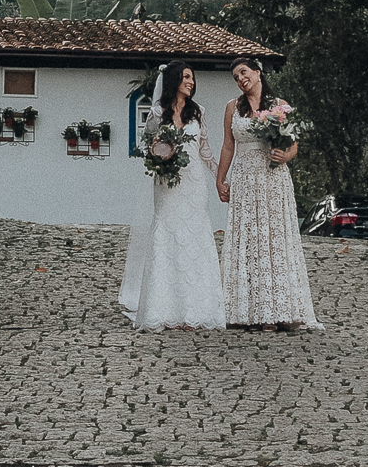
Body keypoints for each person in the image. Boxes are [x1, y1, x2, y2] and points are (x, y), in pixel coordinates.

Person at [118, 60, 226, 330]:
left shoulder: (198, 112)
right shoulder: (157, 113)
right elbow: (149, 146)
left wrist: (221, 180)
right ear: (174, 80)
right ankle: (167, 309)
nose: (191, 82)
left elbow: (206, 152)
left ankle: (194, 310)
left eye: (192, 78)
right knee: (167, 235)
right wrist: (159, 159)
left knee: (194, 238)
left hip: (194, 184)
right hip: (166, 184)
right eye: (186, 77)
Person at [216, 56, 321, 331]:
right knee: (249, 241)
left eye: (243, 72)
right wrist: (220, 179)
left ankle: (279, 312)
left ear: (258, 72)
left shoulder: (279, 106)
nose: (240, 79)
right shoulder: (231, 108)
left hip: (273, 178)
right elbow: (228, 145)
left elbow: (294, 143)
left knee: (275, 242)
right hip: (245, 179)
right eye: (236, 77)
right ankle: (250, 312)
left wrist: (285, 155)